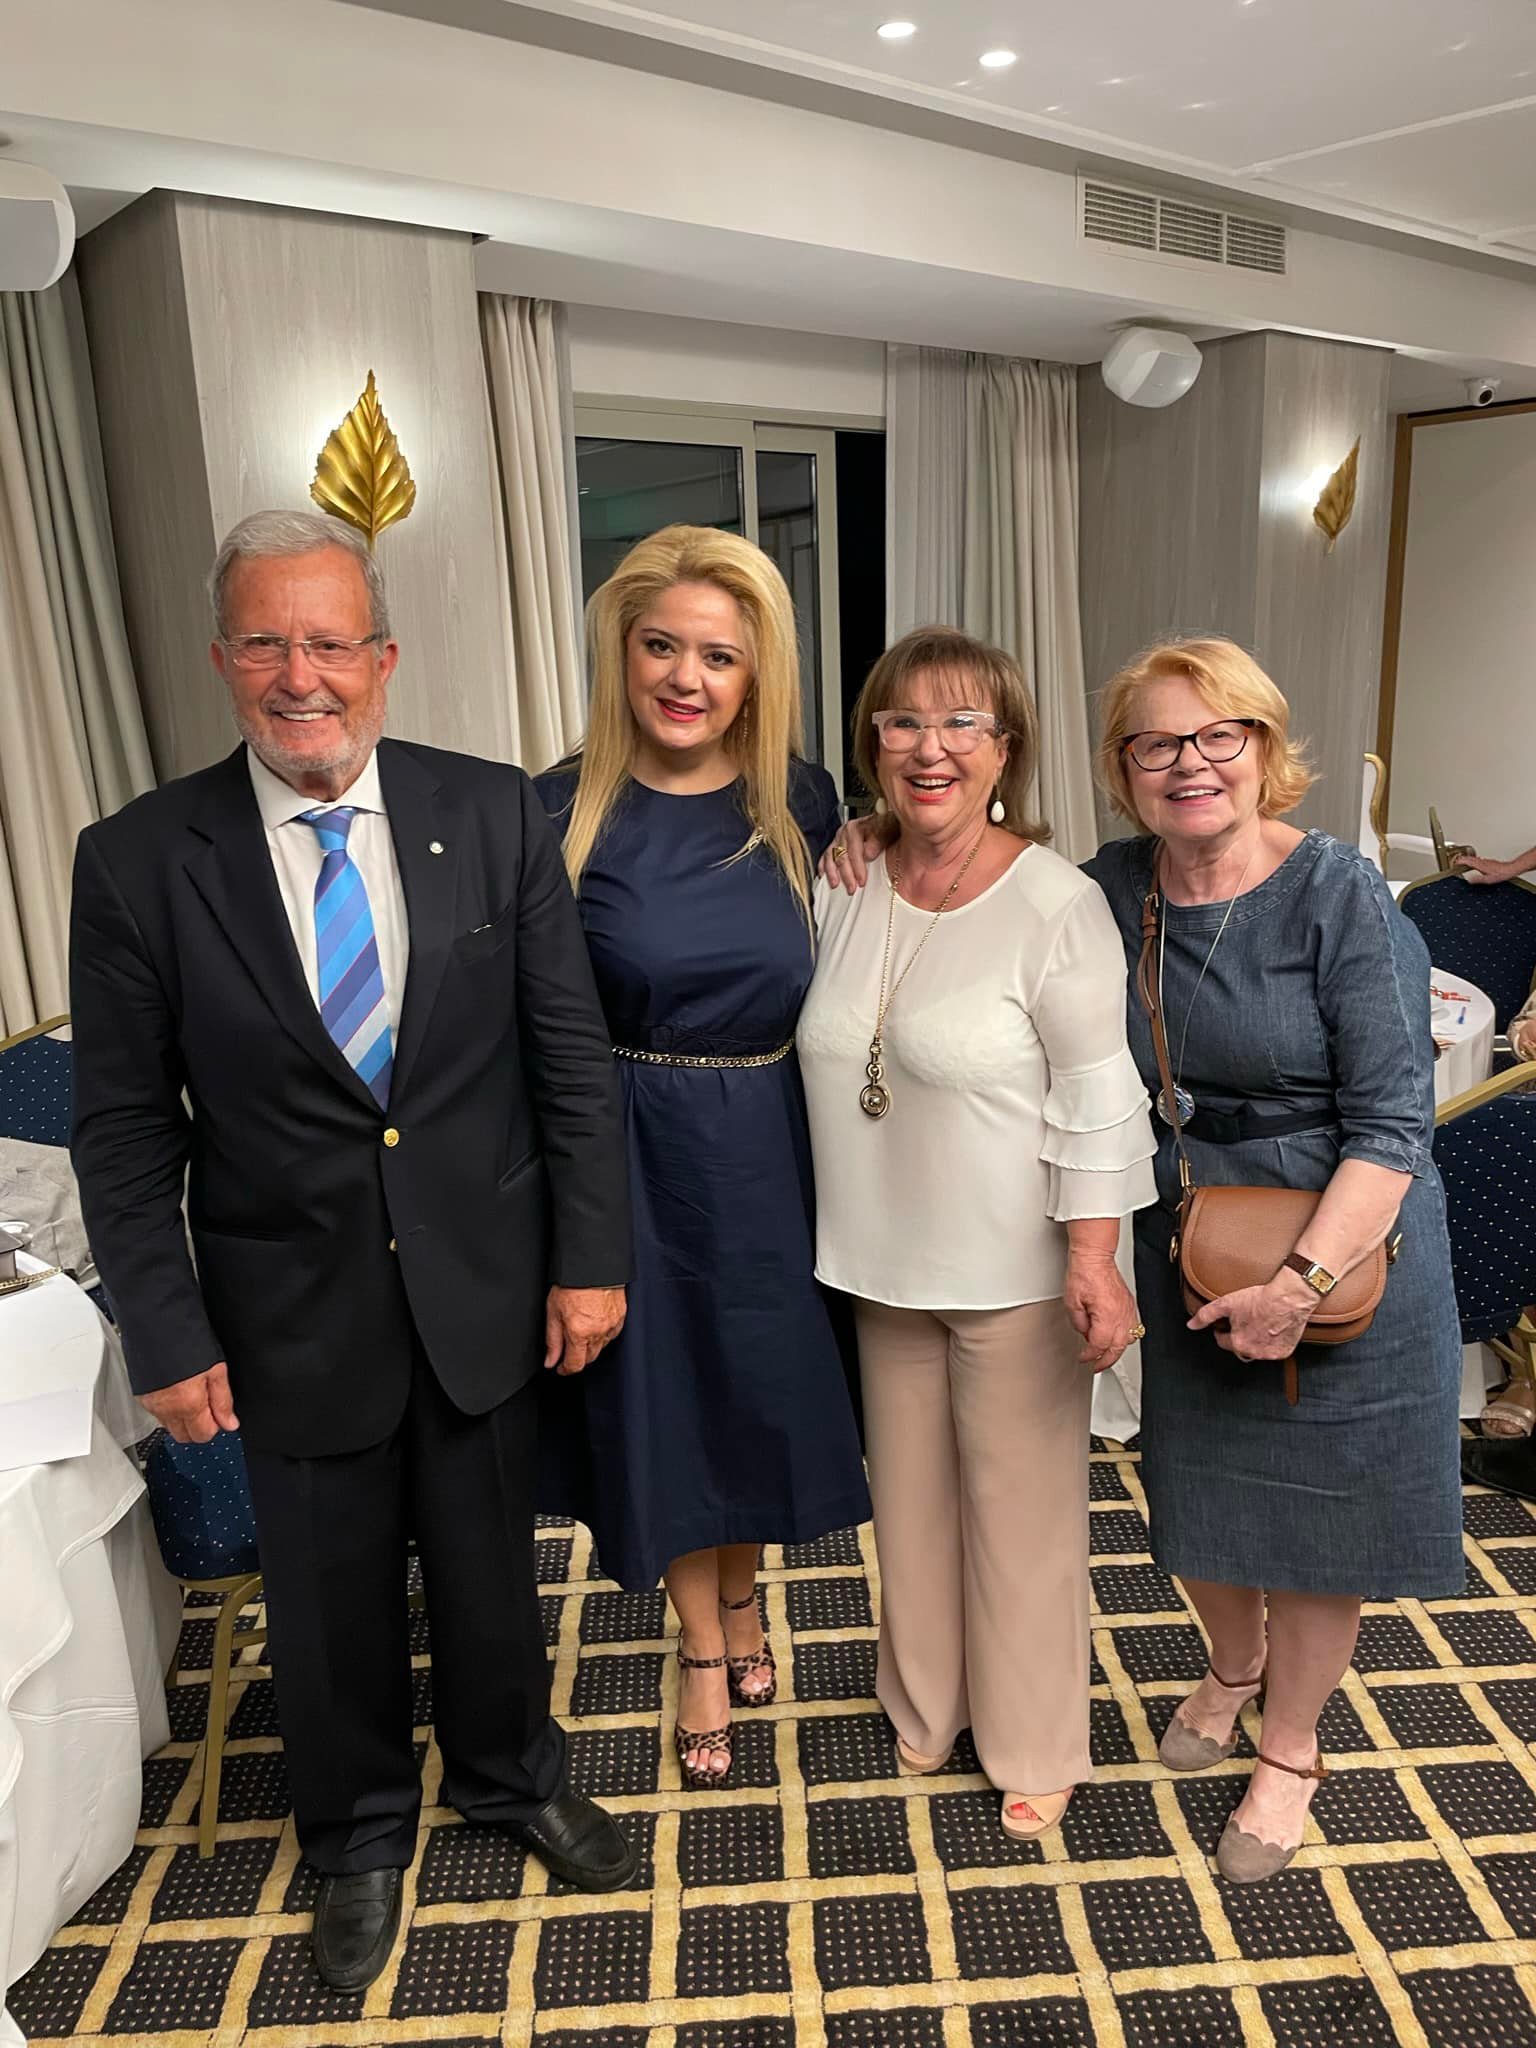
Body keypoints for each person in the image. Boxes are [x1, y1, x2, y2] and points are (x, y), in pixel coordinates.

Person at [69, 510, 637, 1993]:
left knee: (491, 1565)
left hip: (484, 1283)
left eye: (329, 642)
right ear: (221, 660)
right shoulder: (138, 860)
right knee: (324, 1595)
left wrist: (591, 1257)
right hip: (286, 1301)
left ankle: (510, 1776)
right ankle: (359, 1829)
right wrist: (166, 1330)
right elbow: (121, 1129)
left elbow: (568, 1059)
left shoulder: (494, 811)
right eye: (265, 642)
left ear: (383, 658)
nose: (299, 674)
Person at [1083, 638, 1463, 1883]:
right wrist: (871, 837)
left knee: (1317, 1527)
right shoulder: (1112, 885)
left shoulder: (1340, 893)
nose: (1189, 762)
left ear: (1262, 747)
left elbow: (1394, 1125)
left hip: (1345, 1248)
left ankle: (1291, 1744)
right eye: (1156, 740)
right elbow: (982, 887)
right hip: (1191, 1233)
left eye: (1219, 734)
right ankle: (1232, 1664)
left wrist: (1301, 1286)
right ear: (1124, 766)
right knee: (1196, 1502)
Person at [800, 627, 1155, 1842]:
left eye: (962, 723)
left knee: (1021, 1519)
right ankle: (925, 1700)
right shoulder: (843, 882)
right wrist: (857, 836)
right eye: (902, 720)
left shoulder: (1055, 903)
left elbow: (1098, 1094)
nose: (930, 746)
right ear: (874, 745)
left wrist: (1095, 1258)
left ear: (1006, 749)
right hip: (877, 1259)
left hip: (1016, 1268)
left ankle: (1036, 1738)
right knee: (907, 1507)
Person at [534, 524, 869, 1791]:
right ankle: (702, 1645)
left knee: (756, 1392)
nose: (686, 677)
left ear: (756, 667)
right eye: (661, 646)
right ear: (620, 653)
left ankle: (741, 1597)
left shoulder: (805, 798)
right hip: (631, 1143)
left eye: (718, 655)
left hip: (777, 1139)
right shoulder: (555, 808)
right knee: (668, 1406)